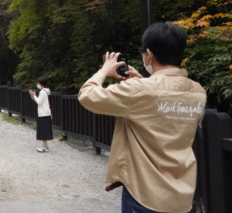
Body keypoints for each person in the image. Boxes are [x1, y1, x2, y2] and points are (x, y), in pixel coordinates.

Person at [78, 22, 206, 213]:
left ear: (149, 54)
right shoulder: (198, 92)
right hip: (182, 196)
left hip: (145, 194)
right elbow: (165, 107)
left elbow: (87, 95)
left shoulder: (139, 90)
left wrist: (104, 70)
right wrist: (144, 81)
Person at [29, 77, 52, 153]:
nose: (37, 84)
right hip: (45, 113)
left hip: (43, 114)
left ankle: (45, 148)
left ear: (41, 84)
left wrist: (34, 95)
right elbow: (41, 102)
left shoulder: (42, 92)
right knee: (44, 130)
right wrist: (34, 96)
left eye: (38, 83)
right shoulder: (45, 91)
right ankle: (45, 146)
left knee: (43, 131)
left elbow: (39, 102)